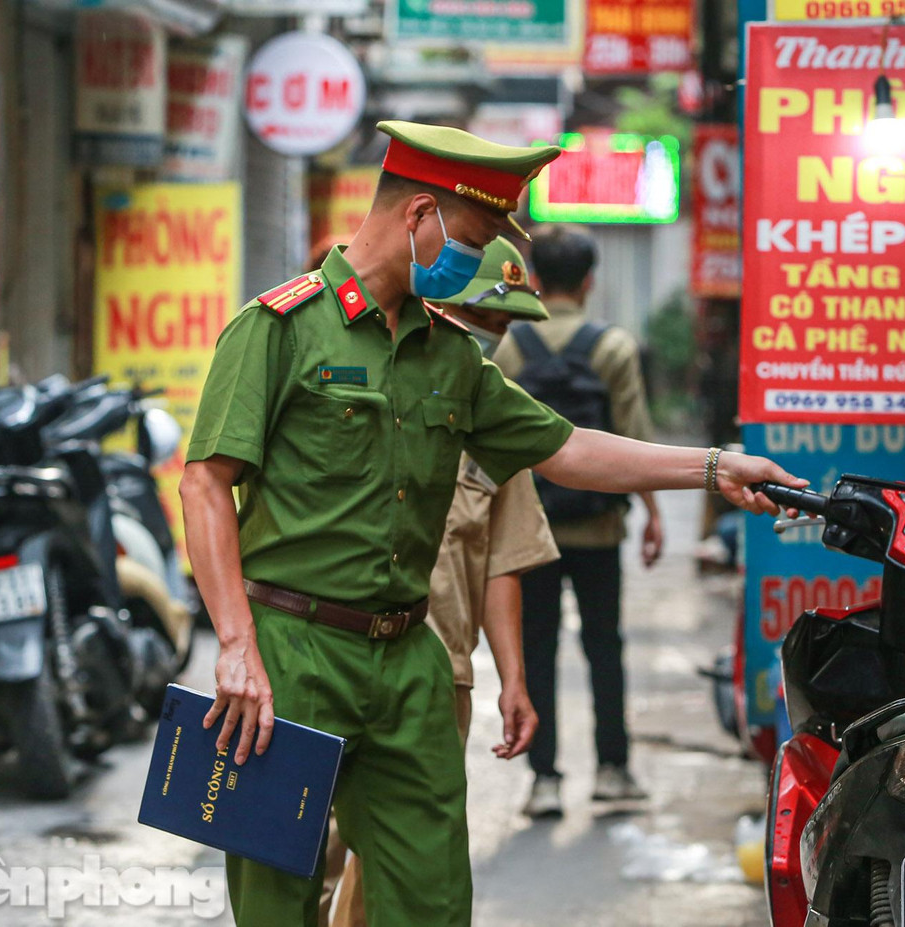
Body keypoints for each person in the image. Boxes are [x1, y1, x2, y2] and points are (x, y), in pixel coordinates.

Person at [179, 119, 805, 927]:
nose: (473, 264)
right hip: (290, 658)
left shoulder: (451, 358)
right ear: (418, 217)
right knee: (276, 905)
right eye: (471, 239)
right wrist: (235, 645)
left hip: (409, 661)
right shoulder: (277, 329)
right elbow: (205, 485)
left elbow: (570, 449)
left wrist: (716, 466)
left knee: (433, 901)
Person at [322, 237, 560, 927]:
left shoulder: (496, 415)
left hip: (438, 671)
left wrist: (512, 677)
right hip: (331, 658)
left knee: (393, 869)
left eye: (504, 329)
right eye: (484, 323)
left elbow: (502, 560)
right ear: (436, 305)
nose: (493, 341)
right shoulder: (353, 383)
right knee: (305, 848)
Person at [492, 225, 661, 817]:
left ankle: (544, 781)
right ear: (590, 281)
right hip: (599, 527)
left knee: (535, 649)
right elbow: (634, 438)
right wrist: (654, 515)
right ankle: (613, 770)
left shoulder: (511, 347)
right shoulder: (612, 347)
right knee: (603, 646)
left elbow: (496, 444)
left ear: (535, 280)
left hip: (530, 530)